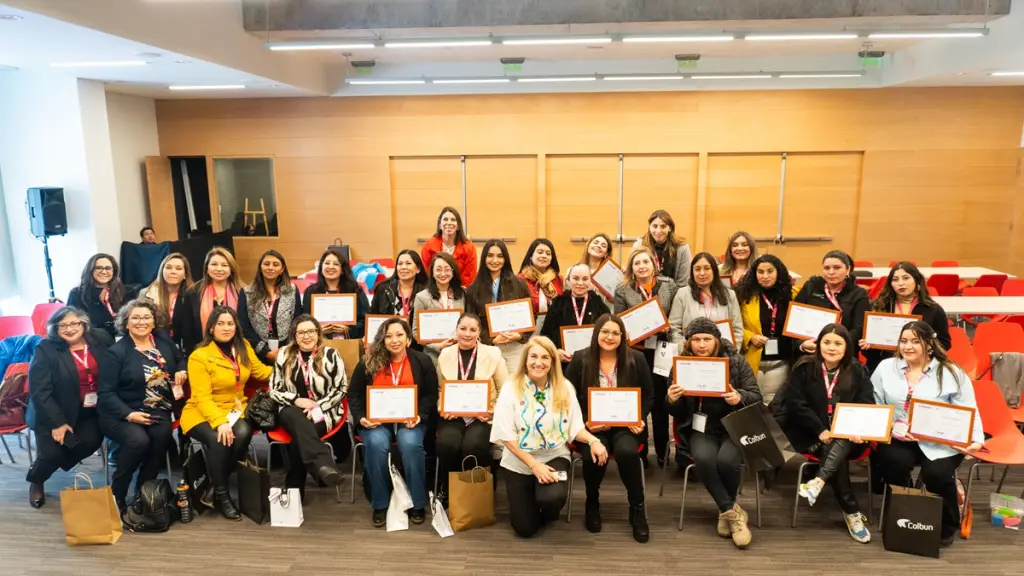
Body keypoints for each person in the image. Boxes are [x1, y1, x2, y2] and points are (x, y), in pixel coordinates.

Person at [871, 320, 984, 547]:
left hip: (940, 439)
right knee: (892, 462)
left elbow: (969, 409)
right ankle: (912, 510)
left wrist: (976, 440)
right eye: (903, 341)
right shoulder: (885, 368)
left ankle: (947, 521)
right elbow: (875, 402)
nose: (908, 347)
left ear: (929, 345)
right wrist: (892, 427)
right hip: (899, 435)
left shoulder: (951, 372)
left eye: (915, 341)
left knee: (937, 474)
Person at [490, 336, 609, 538]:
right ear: (525, 360)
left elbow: (575, 427)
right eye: (533, 356)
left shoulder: (564, 387)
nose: (539, 362)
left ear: (553, 361)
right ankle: (531, 496)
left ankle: (545, 500)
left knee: (552, 498)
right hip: (519, 462)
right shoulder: (511, 388)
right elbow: (507, 437)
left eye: (545, 357)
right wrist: (534, 466)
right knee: (525, 529)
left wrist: (593, 441)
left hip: (553, 457)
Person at [666, 317, 761, 549]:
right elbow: (672, 410)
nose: (701, 344)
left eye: (707, 339)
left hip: (734, 426)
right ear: (688, 342)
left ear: (717, 341)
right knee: (705, 459)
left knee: (727, 461)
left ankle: (724, 511)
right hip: (701, 428)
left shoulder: (737, 362)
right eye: (696, 339)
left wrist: (740, 397)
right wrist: (671, 399)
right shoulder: (681, 365)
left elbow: (756, 396)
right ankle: (732, 513)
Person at [564, 314, 652, 542]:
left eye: (615, 333)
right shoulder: (580, 358)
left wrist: (640, 417)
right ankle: (592, 502)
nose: (609, 337)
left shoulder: (637, 359)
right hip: (592, 427)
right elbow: (566, 397)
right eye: (605, 332)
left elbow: (650, 395)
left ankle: (637, 508)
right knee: (595, 453)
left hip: (627, 426)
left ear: (623, 337)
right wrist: (584, 423)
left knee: (627, 451)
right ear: (596, 334)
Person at [181, 306, 273, 520]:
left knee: (242, 432)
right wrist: (220, 422)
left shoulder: (243, 346)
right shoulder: (199, 356)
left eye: (230, 323)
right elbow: (202, 397)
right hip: (201, 411)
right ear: (211, 328)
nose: (226, 327)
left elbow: (260, 371)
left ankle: (213, 484)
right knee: (218, 439)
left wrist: (289, 366)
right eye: (220, 323)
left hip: (233, 408)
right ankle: (223, 496)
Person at [784, 324, 873, 543]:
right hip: (811, 434)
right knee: (834, 448)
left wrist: (857, 429)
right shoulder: (804, 367)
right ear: (819, 343)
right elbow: (796, 404)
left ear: (847, 346)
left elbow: (866, 403)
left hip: (852, 436)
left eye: (838, 343)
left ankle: (819, 481)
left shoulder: (857, 369)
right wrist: (820, 429)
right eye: (826, 342)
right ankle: (851, 511)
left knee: (838, 441)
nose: (831, 348)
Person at [348, 318, 437, 527]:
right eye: (388, 336)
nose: (394, 340)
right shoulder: (369, 361)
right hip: (376, 421)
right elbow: (354, 393)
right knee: (377, 444)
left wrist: (420, 416)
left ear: (408, 338)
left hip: (410, 420)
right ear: (382, 339)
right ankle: (380, 503)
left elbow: (431, 394)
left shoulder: (422, 360)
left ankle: (417, 502)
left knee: (410, 444)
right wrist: (361, 417)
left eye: (399, 335)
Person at [98, 299, 185, 509]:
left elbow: (179, 357)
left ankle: (143, 492)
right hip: (122, 411)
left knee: (159, 438)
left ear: (154, 322)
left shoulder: (162, 339)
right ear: (126, 323)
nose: (141, 322)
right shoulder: (116, 353)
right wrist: (129, 414)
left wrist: (181, 369)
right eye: (135, 318)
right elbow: (106, 394)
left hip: (157, 409)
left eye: (146, 317)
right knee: (138, 441)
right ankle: (117, 493)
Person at [25, 307, 113, 508]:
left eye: (74, 323)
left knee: (90, 441)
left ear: (83, 323)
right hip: (51, 412)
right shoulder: (46, 349)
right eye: (62, 325)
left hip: (87, 411)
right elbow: (40, 392)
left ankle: (50, 467)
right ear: (55, 329)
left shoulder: (99, 339)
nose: (69, 329)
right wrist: (58, 423)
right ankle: (36, 479)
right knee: (51, 454)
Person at [268, 315, 347, 500]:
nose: (306, 336)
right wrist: (296, 400)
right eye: (301, 332)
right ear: (294, 336)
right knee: (298, 420)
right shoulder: (284, 354)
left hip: (323, 411)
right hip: (289, 408)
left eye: (311, 331)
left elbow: (341, 388)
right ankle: (323, 463)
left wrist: (318, 406)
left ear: (318, 334)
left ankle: (293, 492)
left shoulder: (331, 355)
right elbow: (274, 389)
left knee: (300, 436)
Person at [434, 313, 509, 504]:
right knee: (447, 444)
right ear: (456, 330)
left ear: (479, 332)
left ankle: (479, 491)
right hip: (454, 416)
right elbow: (440, 388)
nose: (467, 334)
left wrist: (493, 412)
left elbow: (505, 390)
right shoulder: (445, 354)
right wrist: (443, 408)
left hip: (483, 416)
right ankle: (447, 488)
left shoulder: (493, 354)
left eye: (472, 329)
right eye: (463, 329)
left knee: (472, 445)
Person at [614, 247, 677, 468]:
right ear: (631, 268)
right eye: (636, 263)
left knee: (660, 402)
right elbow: (619, 322)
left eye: (645, 262)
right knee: (639, 401)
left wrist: (666, 324)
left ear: (654, 264)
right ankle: (640, 453)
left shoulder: (669, 285)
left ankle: (662, 453)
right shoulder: (623, 290)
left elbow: (674, 314)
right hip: (636, 353)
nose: (641, 266)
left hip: (662, 351)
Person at [860, 262, 952, 373]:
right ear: (890, 284)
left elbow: (944, 343)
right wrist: (867, 346)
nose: (900, 283)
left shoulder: (933, 309)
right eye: (895, 280)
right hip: (883, 367)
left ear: (917, 281)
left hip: (920, 367)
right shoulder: (878, 307)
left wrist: (925, 347)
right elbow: (868, 351)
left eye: (906, 278)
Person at [734, 254, 797, 404]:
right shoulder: (744, 296)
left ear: (779, 272)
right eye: (760, 272)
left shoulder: (793, 295)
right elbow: (734, 325)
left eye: (770, 271)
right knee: (750, 407)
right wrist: (750, 337)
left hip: (780, 363)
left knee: (773, 407)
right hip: (752, 360)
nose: (765, 276)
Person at [465, 239, 532, 374]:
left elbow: (530, 316)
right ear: (484, 258)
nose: (495, 260)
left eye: (500, 256)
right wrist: (491, 339)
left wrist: (520, 335)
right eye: (490, 255)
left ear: (505, 259)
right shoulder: (473, 289)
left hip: (514, 347)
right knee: (492, 390)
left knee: (515, 388)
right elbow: (471, 319)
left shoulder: (519, 284)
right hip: (487, 347)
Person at [794, 250, 870, 355]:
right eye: (826, 268)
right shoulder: (810, 287)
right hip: (811, 353)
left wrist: (836, 345)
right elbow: (795, 320)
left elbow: (858, 329)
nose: (831, 272)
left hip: (843, 354)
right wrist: (801, 344)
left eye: (837, 268)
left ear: (848, 269)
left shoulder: (859, 294)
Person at [539, 263, 610, 364]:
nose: (580, 283)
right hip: (564, 363)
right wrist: (555, 351)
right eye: (575, 278)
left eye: (585, 279)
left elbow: (609, 330)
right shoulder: (558, 302)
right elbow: (545, 334)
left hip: (593, 362)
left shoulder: (597, 302)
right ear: (568, 280)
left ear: (591, 281)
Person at [238, 250, 301, 365]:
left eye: (275, 264)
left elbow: (297, 320)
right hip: (258, 352)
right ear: (260, 267)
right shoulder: (247, 292)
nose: (270, 267)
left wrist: (287, 348)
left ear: (282, 270)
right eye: (266, 264)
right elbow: (244, 326)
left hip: (288, 350)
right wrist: (265, 351)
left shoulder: (292, 290)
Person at [178, 247, 244, 355]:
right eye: (214, 264)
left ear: (231, 269)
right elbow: (187, 331)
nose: (219, 269)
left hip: (237, 352)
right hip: (202, 353)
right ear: (207, 268)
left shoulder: (242, 292)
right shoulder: (193, 293)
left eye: (224, 265)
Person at [669, 252, 743, 345]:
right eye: (697, 269)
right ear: (692, 272)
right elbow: (674, 327)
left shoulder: (729, 295)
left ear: (714, 270)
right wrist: (685, 349)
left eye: (707, 268)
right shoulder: (682, 294)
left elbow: (737, 329)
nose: (702, 273)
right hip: (689, 354)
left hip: (721, 354)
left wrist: (729, 352)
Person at [301, 248, 370, 341]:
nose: (330, 266)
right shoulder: (311, 292)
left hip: (349, 344)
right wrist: (317, 330)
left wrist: (349, 330)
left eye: (336, 264)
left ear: (342, 270)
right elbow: (304, 322)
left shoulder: (355, 290)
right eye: (327, 263)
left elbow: (365, 321)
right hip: (319, 344)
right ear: (321, 268)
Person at [412, 252, 468, 363]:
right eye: (438, 269)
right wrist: (438, 346)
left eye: (447, 269)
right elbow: (416, 331)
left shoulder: (463, 294)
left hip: (460, 353)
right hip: (433, 357)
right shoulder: (422, 297)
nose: (443, 273)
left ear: (453, 272)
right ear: (432, 272)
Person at [68, 253, 135, 337]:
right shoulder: (77, 294)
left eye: (108, 268)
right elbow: (72, 322)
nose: (104, 271)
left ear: (114, 271)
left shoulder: (127, 291)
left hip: (123, 340)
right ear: (90, 270)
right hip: (93, 341)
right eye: (98, 268)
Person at [632, 209, 692, 287]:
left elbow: (683, 284)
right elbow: (633, 277)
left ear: (670, 228)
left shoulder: (682, 248)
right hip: (645, 294)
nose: (658, 230)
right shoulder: (639, 245)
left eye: (663, 226)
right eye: (655, 226)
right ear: (649, 227)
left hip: (674, 295)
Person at [141, 252, 193, 340]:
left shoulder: (193, 294)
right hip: (155, 342)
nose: (173, 272)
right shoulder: (146, 294)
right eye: (168, 267)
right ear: (162, 271)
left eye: (178, 268)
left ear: (185, 275)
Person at [420, 206, 477, 287]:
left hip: (460, 291)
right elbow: (426, 274)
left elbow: (469, 277)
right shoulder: (428, 246)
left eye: (453, 220)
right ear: (440, 225)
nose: (449, 223)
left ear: (458, 226)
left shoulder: (469, 248)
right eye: (445, 219)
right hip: (434, 289)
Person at [519, 238, 564, 335]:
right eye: (540, 252)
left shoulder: (559, 279)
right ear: (530, 256)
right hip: (528, 331)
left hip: (554, 329)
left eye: (548, 253)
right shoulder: (520, 280)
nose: (544, 256)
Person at [369, 249, 428, 320]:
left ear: (418, 269)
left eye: (408, 263)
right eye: (400, 264)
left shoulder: (426, 291)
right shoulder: (383, 289)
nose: (403, 267)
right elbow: (372, 318)